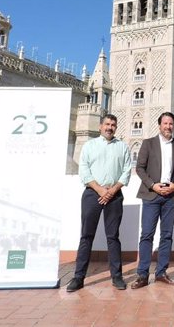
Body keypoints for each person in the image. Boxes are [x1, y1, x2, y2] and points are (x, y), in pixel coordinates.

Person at [67, 114, 131, 292]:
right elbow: (84, 170)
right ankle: (78, 277)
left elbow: (126, 171)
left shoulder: (123, 147)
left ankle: (117, 277)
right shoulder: (89, 146)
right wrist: (100, 190)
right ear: (100, 126)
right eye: (107, 124)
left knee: (113, 237)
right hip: (92, 194)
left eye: (113, 125)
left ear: (116, 128)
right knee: (86, 236)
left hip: (115, 195)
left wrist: (112, 190)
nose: (110, 127)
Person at [131, 111, 174, 289]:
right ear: (160, 125)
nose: (168, 127)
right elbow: (140, 168)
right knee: (147, 234)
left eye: (171, 124)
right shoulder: (148, 144)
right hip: (151, 195)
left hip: (170, 197)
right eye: (165, 123)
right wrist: (153, 185)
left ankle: (162, 272)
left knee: (167, 236)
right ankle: (142, 275)